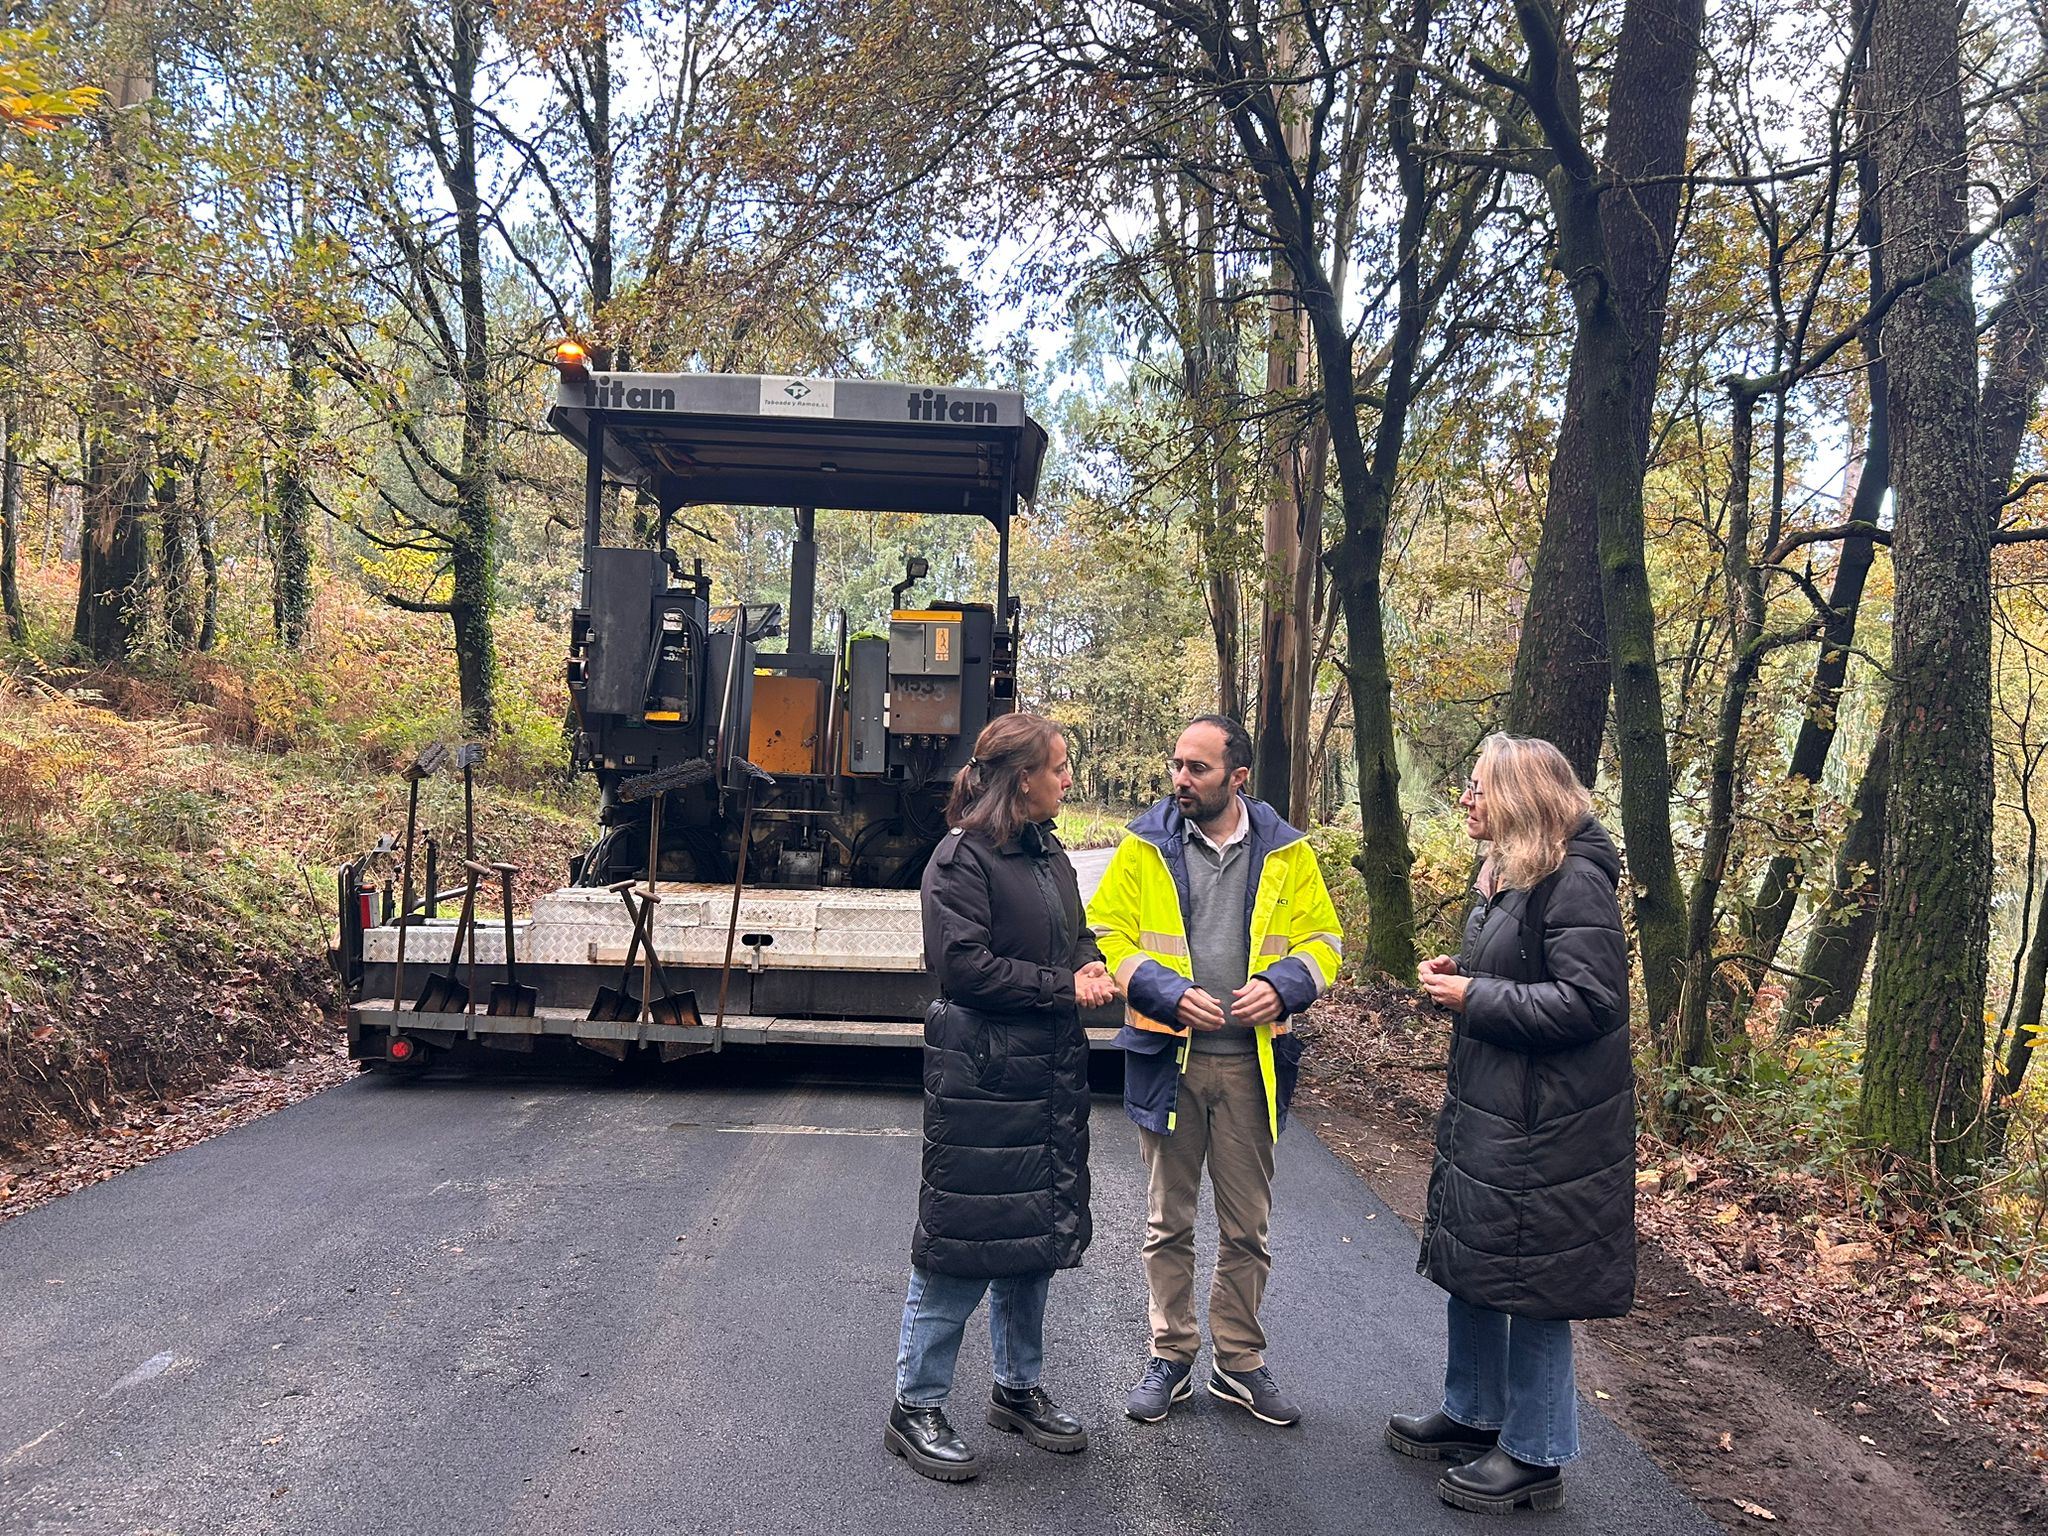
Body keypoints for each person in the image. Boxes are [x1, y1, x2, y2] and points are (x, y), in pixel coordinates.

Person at [1391, 733, 1635, 1515]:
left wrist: (1475, 998)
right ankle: (1473, 1414)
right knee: (1477, 1261)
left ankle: (1535, 1454)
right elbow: (1520, 978)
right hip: (1496, 1109)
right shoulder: (1505, 873)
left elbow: (1592, 1003)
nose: (1466, 799)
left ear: (1522, 799)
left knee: (1533, 1282)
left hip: (1552, 1126)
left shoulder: (1575, 883)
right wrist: (1459, 980)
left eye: (1479, 788)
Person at [1088, 714, 1342, 1428]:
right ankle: (1170, 1356)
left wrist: (1288, 983)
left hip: (1251, 1070)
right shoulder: (1143, 844)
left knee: (1247, 1230)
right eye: (1176, 765)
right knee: (1168, 1222)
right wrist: (1163, 990)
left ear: (1237, 777)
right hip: (1170, 1061)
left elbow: (1325, 939)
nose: (1180, 780)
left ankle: (1239, 1362)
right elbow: (1107, 933)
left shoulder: (1289, 852)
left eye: (1196, 768)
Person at [885, 712, 1118, 1483]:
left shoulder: (1046, 852)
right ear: (1022, 779)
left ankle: (1016, 1389)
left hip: (1047, 1072)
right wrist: (1063, 986)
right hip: (983, 1075)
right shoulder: (961, 859)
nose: (1068, 780)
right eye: (1058, 768)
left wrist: (1088, 966)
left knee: (1031, 1243)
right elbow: (964, 970)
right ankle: (914, 1405)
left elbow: (1075, 935)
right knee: (961, 1244)